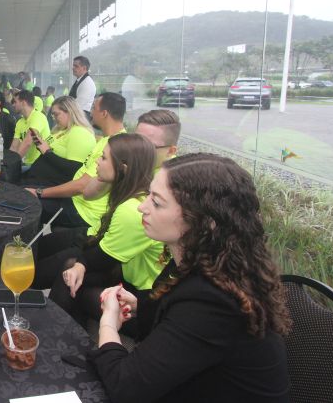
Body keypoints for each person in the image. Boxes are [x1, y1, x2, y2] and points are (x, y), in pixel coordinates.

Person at [89, 153, 291, 402]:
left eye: (157, 202)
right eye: (148, 195)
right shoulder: (206, 262)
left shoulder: (212, 301)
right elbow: (175, 314)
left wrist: (108, 323)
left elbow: (124, 387)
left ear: (202, 221)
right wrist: (141, 304)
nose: (142, 207)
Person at [50, 134, 164, 331]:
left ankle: (55, 333)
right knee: (71, 273)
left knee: (71, 280)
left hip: (146, 299)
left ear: (123, 168)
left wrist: (80, 265)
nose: (96, 161)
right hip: (129, 278)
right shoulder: (132, 191)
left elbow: (101, 256)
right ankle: (64, 336)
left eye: (103, 158)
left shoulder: (133, 209)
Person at [26, 92, 126, 259]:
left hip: (83, 211)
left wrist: (40, 192)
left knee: (28, 203)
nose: (90, 112)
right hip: (77, 201)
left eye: (93, 108)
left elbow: (82, 185)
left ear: (104, 113)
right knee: (27, 197)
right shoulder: (107, 140)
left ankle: (23, 254)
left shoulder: (114, 145)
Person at [23, 96, 96, 186]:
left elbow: (74, 170)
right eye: (53, 115)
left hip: (48, 186)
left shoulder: (80, 132)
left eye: (56, 114)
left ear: (70, 112)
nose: (54, 118)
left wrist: (47, 152)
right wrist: (41, 146)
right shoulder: (61, 130)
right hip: (37, 179)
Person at [10, 89, 50, 169]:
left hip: (40, 164)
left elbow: (27, 142)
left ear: (23, 103)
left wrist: (11, 164)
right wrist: (8, 161)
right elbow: (14, 147)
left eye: (15, 102)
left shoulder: (38, 116)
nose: (13, 105)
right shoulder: (20, 122)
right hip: (27, 164)